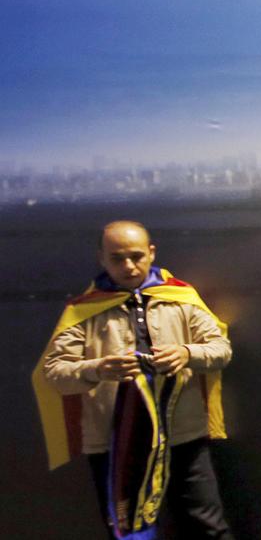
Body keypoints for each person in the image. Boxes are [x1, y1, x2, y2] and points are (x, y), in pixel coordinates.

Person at [35, 220, 233, 539]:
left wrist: (186, 353)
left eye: (136, 256)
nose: (128, 266)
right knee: (129, 532)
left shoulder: (181, 299)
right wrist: (96, 369)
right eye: (117, 258)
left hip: (182, 436)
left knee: (207, 526)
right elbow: (55, 374)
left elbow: (221, 349)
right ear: (101, 258)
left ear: (151, 253)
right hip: (117, 442)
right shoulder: (83, 311)